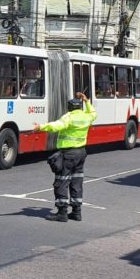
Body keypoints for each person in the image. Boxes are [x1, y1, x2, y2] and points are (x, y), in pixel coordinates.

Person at [33, 92, 97, 222]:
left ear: (70, 107)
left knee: (62, 181)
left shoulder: (69, 117)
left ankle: (62, 212)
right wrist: (87, 101)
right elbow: (94, 114)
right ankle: (76, 212)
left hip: (68, 153)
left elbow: (57, 126)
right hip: (81, 153)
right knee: (76, 181)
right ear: (80, 107)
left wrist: (40, 127)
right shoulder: (86, 116)